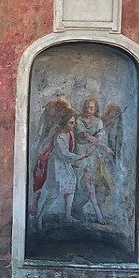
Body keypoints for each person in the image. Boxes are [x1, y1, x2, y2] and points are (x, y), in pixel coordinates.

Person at [31, 97, 81, 233]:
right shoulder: (58, 135)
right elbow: (62, 153)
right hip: (56, 165)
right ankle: (40, 216)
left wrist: (74, 160)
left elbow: (69, 150)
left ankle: (68, 215)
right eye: (71, 123)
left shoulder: (70, 134)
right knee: (54, 192)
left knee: (71, 185)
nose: (73, 125)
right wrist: (79, 157)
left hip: (64, 164)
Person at [72, 98, 113, 224]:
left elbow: (101, 136)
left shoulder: (98, 121)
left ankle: (96, 212)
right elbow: (84, 135)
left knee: (93, 184)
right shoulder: (79, 120)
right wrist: (99, 144)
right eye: (86, 107)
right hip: (81, 154)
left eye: (91, 108)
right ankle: (82, 210)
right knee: (81, 185)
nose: (88, 110)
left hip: (92, 154)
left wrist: (95, 147)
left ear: (95, 110)